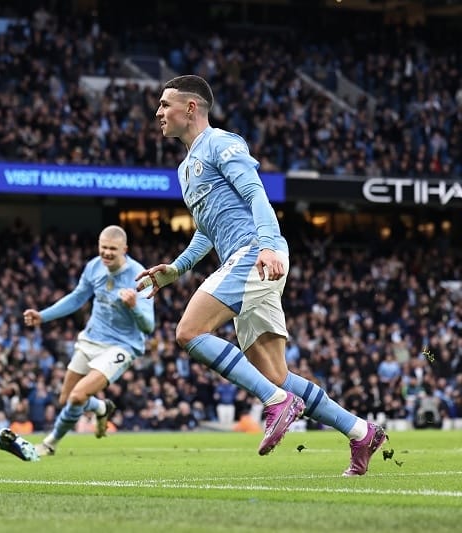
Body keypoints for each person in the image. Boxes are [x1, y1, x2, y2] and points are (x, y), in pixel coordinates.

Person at [136, 75, 387, 476]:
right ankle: (360, 431)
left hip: (255, 254)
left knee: (188, 332)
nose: (157, 112)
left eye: (165, 105)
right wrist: (177, 269)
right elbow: (207, 229)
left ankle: (274, 403)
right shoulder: (186, 168)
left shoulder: (222, 143)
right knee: (276, 375)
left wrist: (267, 244)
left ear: (190, 108)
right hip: (246, 259)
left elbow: (256, 193)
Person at [23, 225, 154, 456]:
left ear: (125, 249)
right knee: (66, 398)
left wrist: (134, 307)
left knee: (77, 396)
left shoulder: (140, 277)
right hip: (90, 339)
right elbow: (76, 299)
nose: (106, 253)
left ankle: (49, 444)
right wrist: (42, 316)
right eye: (103, 247)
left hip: (121, 346)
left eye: (113, 249)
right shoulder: (94, 267)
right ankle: (102, 408)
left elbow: (148, 326)